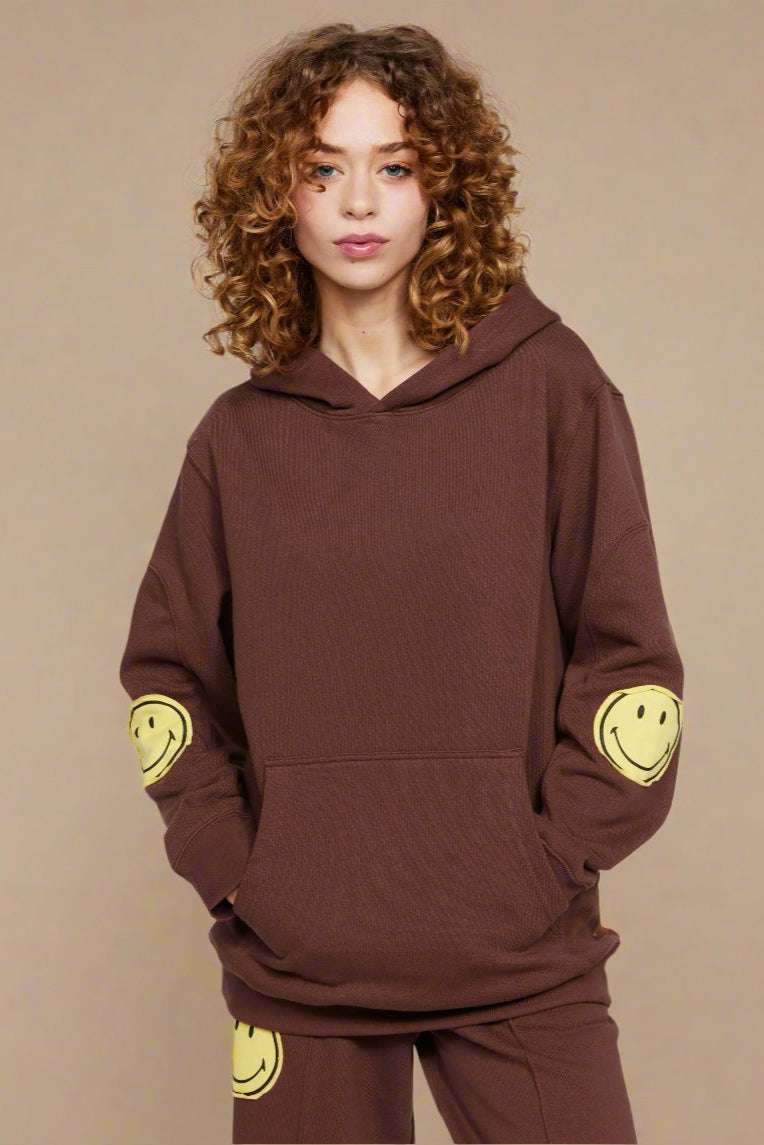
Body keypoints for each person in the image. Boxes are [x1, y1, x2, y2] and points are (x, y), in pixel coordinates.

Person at [118, 22, 685, 1145]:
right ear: (275, 197)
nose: (359, 202)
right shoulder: (240, 439)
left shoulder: (553, 388)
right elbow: (167, 677)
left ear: (446, 189)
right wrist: (241, 872)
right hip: (301, 970)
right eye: (322, 168)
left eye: (395, 165)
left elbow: (630, 661)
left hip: (521, 953)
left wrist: (544, 862)